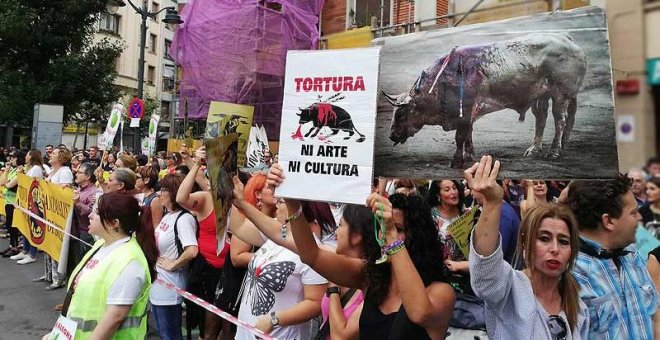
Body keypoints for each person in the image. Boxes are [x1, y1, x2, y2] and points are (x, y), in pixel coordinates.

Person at [267, 164, 455, 339]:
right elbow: (311, 255)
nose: (385, 234)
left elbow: (418, 312)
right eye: (382, 227)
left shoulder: (441, 292)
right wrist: (292, 202)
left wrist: (391, 235)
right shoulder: (372, 275)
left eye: (398, 228)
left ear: (419, 237)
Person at [466, 155, 587, 339]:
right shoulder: (509, 288)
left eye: (563, 241)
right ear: (525, 243)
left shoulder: (578, 303)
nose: (554, 248)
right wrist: (492, 202)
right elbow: (485, 274)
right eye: (544, 238)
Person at [45, 192, 158, 339]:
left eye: (97, 212)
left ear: (114, 223)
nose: (90, 216)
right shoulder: (101, 245)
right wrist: (57, 334)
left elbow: (115, 317)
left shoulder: (130, 262)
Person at [567, 174, 658, 339]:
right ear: (608, 221)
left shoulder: (633, 255)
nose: (640, 217)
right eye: (634, 213)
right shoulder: (572, 273)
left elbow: (655, 314)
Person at [175, 148, 230, 340]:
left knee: (228, 323)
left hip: (232, 270)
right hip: (206, 268)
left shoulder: (239, 200)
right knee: (208, 322)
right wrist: (195, 162)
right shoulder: (207, 198)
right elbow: (181, 198)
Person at [150, 174, 199, 340]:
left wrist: (174, 264)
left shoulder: (184, 219)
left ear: (173, 192)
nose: (159, 193)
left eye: (163, 190)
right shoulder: (168, 215)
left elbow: (192, 250)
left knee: (170, 336)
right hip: (158, 285)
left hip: (170, 288)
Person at [10, 149, 45, 264]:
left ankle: (32, 253)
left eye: (27, 155)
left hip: (32, 203)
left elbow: (30, 185)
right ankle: (25, 250)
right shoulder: (29, 168)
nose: (25, 157)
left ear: (32, 156)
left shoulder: (36, 169)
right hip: (25, 201)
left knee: (31, 227)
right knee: (25, 226)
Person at [71, 163, 98, 262]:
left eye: (79, 172)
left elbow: (91, 213)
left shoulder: (94, 192)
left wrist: (78, 203)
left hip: (86, 233)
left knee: (84, 261)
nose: (76, 174)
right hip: (77, 231)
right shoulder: (78, 189)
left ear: (88, 176)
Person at [0, 150, 24, 258]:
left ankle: (15, 246)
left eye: (13, 158)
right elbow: (2, 182)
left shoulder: (21, 170)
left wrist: (6, 183)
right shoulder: (13, 170)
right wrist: (6, 170)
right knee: (9, 225)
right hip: (8, 200)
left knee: (14, 225)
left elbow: (9, 185)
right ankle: (11, 245)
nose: (11, 160)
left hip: (15, 202)